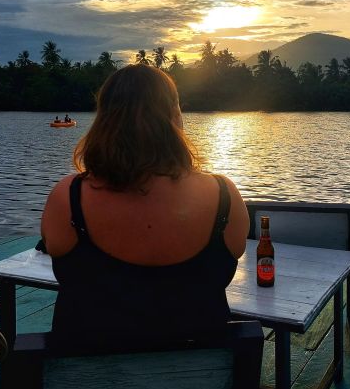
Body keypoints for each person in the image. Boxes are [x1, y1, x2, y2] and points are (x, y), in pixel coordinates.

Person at [40, 64, 249, 346]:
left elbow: (54, 247)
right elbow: (234, 249)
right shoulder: (224, 196)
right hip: (197, 382)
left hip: (90, 384)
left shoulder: (68, 197)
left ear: (104, 120)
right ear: (174, 115)